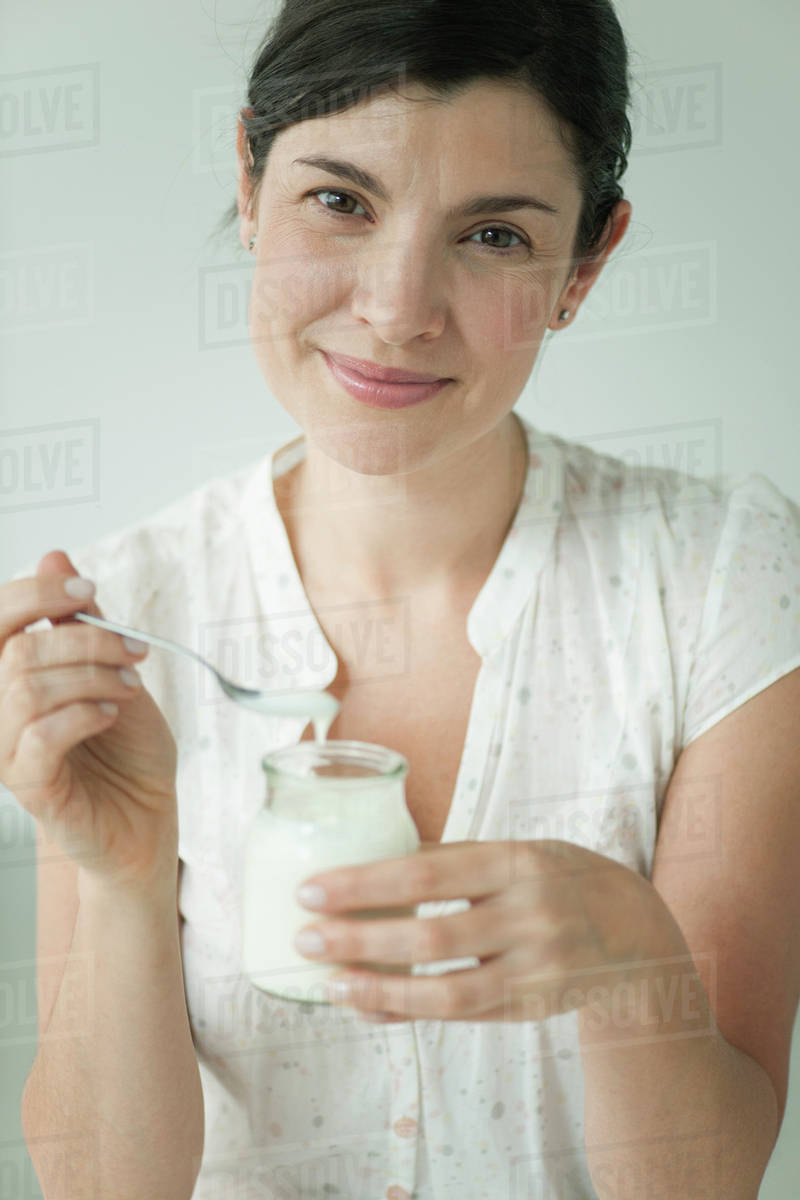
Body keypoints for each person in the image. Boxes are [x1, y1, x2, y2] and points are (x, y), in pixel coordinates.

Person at [8, 0, 800, 1196]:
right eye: (340, 200)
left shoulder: (722, 580)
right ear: (248, 180)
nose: (394, 307)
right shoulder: (128, 613)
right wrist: (124, 881)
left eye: (491, 236)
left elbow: (705, 1183)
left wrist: (627, 957)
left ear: (584, 262)